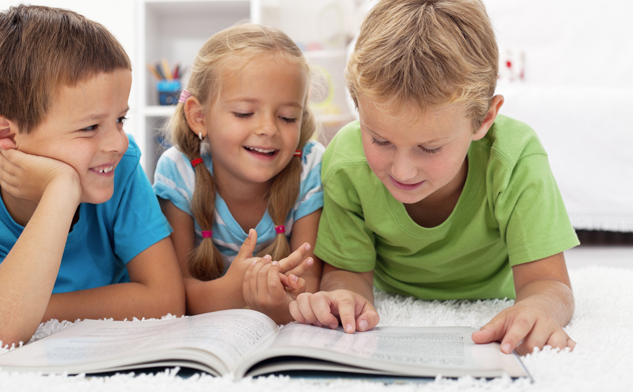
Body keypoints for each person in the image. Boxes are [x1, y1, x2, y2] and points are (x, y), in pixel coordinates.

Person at [289, 0, 580, 356]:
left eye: (429, 148)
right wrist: (344, 299)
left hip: (498, 291)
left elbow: (550, 284)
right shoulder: (346, 163)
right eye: (380, 140)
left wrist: (537, 309)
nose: (402, 170)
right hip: (392, 290)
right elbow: (347, 274)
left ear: (484, 119)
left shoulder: (515, 157)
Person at [0, 5, 185, 345]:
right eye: (89, 127)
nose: (118, 142)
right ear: (7, 137)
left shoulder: (122, 170)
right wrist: (61, 189)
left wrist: (33, 309)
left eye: (120, 120)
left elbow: (166, 301)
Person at [153, 24, 325, 324]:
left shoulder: (309, 166)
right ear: (199, 117)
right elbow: (176, 294)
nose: (269, 129)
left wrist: (281, 300)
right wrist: (237, 290)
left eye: (287, 117)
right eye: (244, 113)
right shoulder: (178, 171)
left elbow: (310, 281)